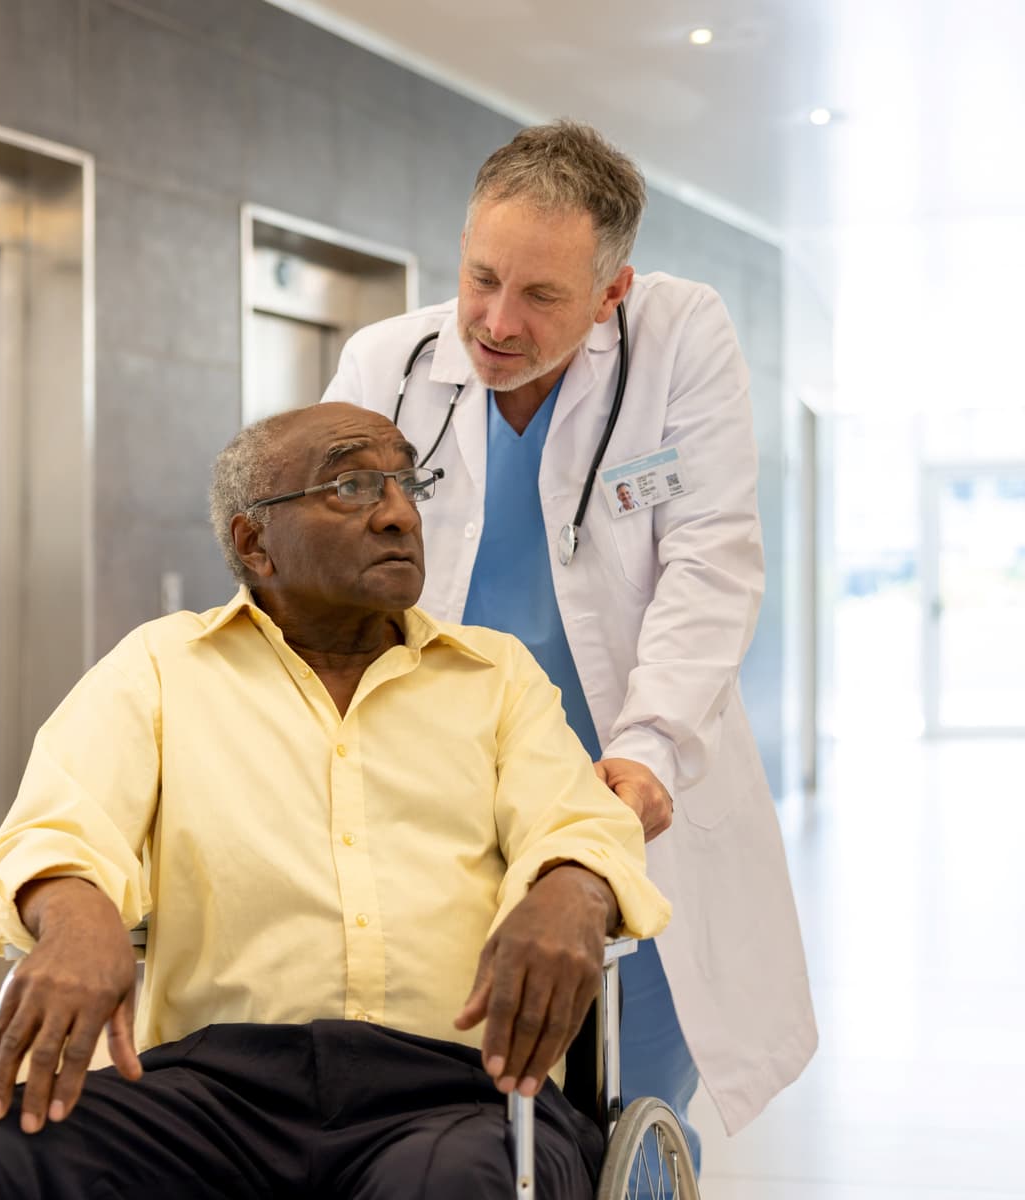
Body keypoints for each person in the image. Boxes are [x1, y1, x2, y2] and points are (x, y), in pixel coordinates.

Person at [0, 403, 671, 1199]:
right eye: (351, 485)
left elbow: (577, 818)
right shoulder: (161, 668)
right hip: (218, 1091)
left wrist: (573, 888)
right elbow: (57, 824)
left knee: (450, 1181)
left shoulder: (494, 676)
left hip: (456, 1092)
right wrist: (75, 919)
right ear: (254, 544)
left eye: (407, 481)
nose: (397, 513)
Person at [322, 120, 818, 1158]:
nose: (495, 323)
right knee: (461, 1101)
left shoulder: (679, 340)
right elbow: (319, 569)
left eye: (542, 296)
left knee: (629, 1092)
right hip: (444, 794)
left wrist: (645, 751)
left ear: (611, 292)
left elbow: (709, 559)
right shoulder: (390, 361)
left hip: (625, 778)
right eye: (481, 277)